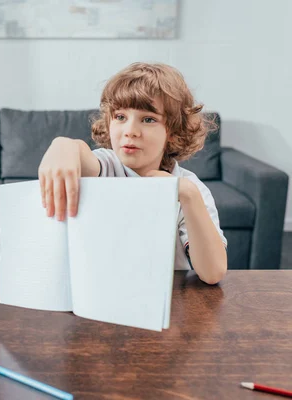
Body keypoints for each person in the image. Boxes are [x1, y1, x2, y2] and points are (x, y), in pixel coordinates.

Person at [38, 63, 227, 284]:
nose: (130, 131)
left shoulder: (189, 187)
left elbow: (213, 273)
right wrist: (63, 145)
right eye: (120, 117)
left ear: (173, 132)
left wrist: (188, 195)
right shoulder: (108, 165)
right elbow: (83, 157)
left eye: (148, 119)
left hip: (168, 302)